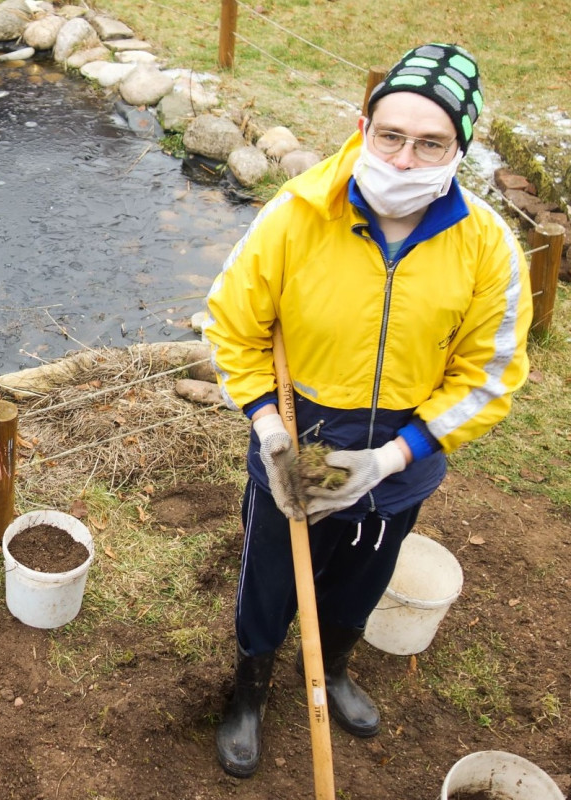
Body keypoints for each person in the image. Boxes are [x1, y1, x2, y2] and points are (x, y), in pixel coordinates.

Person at [203, 43, 531, 778]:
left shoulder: (488, 248)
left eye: (430, 143)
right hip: (300, 447)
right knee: (272, 580)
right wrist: (268, 427)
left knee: (363, 573)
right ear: (362, 126)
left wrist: (392, 457)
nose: (405, 159)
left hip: (402, 461)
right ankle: (248, 691)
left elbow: (492, 373)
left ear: (459, 149)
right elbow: (230, 326)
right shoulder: (294, 218)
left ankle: (335, 667)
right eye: (390, 136)